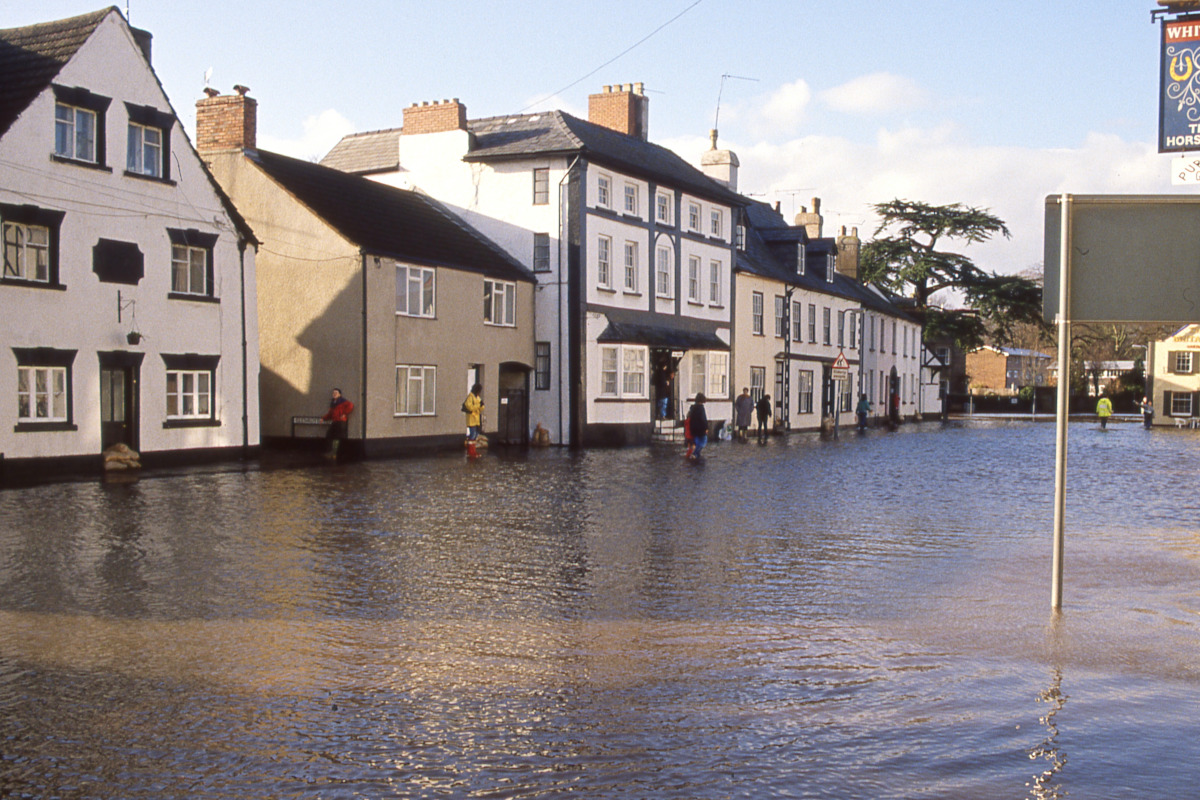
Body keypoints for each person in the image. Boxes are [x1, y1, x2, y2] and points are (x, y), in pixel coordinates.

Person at [321, 387, 354, 459]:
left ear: (340, 394)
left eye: (336, 393)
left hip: (341, 422)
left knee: (338, 437)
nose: (334, 394)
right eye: (333, 393)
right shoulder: (333, 403)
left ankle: (335, 453)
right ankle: (331, 452)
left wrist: (345, 413)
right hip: (335, 421)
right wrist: (323, 418)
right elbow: (330, 413)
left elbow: (351, 405)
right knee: (329, 435)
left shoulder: (343, 401)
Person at [462, 382, 484, 457]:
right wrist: (478, 406)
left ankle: (473, 451)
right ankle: (470, 452)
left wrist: (480, 406)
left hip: (476, 419)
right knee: (472, 435)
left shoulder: (477, 397)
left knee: (475, 435)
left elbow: (481, 408)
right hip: (471, 419)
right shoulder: (470, 397)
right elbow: (469, 407)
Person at [687, 393, 709, 459]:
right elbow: (703, 419)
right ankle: (695, 453)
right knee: (703, 442)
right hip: (701, 429)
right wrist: (706, 428)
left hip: (694, 428)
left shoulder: (693, 408)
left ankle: (697, 454)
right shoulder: (701, 408)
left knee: (696, 442)